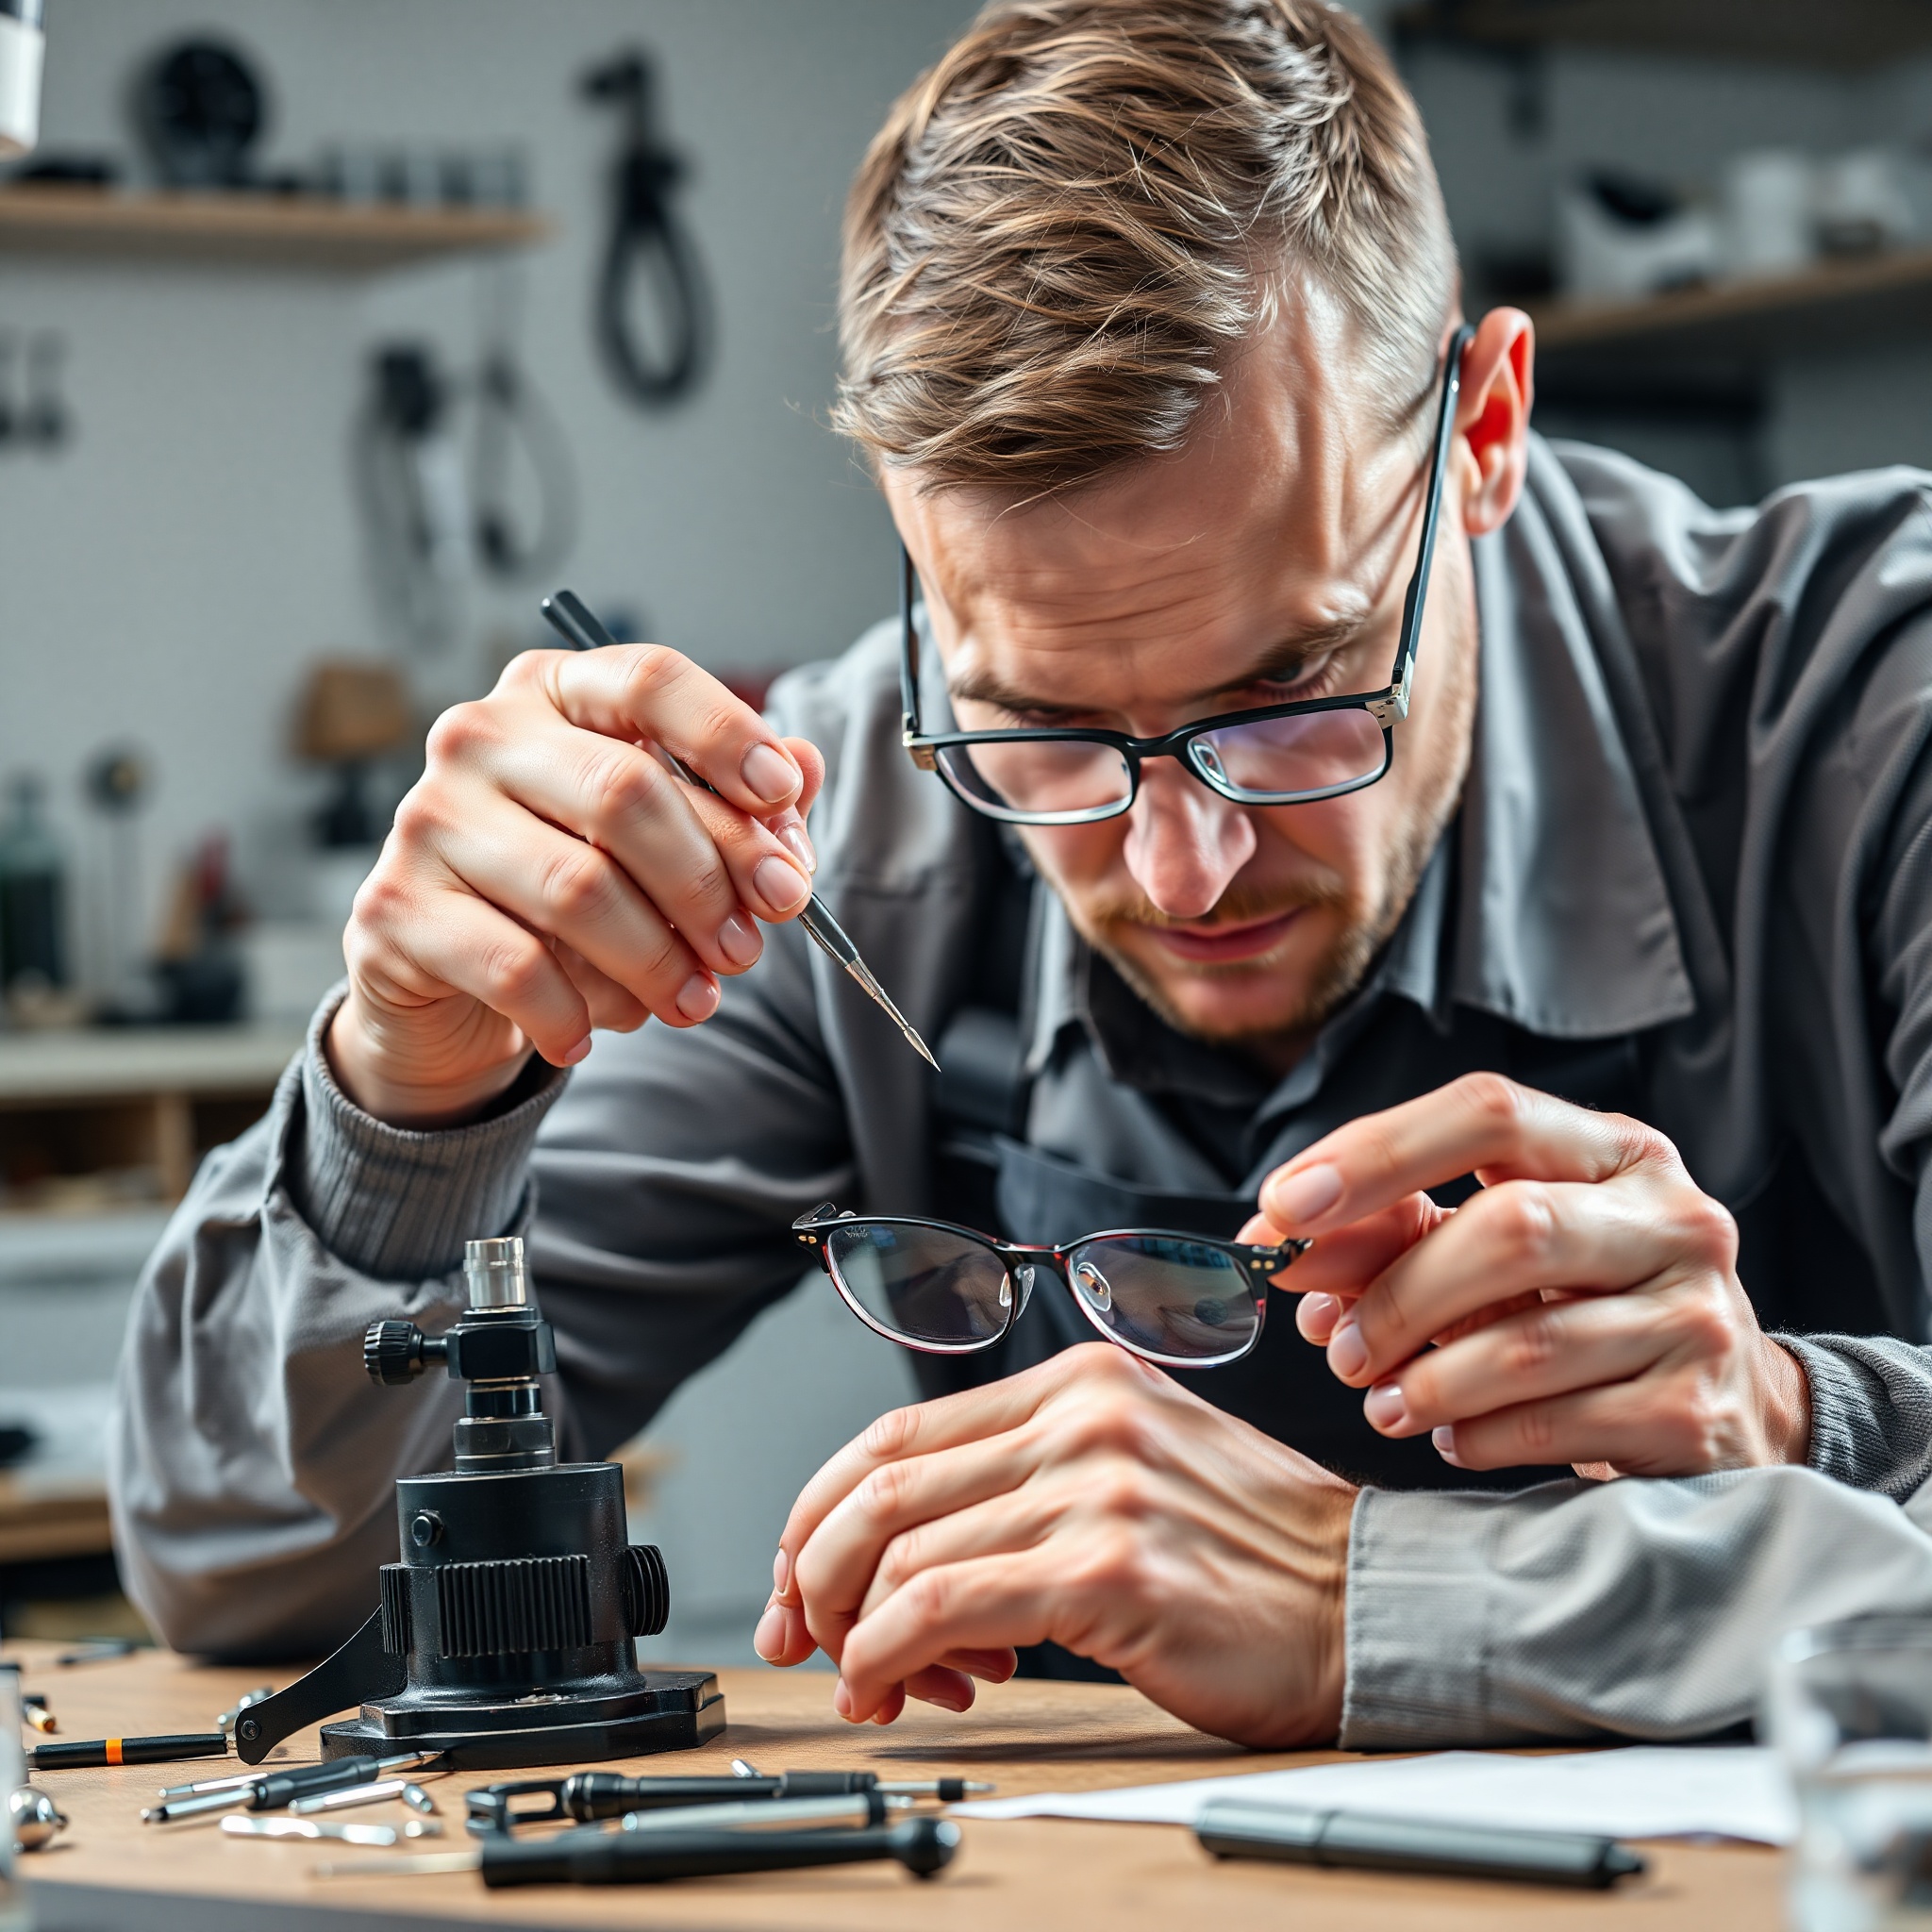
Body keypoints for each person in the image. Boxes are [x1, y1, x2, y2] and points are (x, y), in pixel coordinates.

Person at [108, 0, 1932, 1745]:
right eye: (1043, 729)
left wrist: (1765, 1430)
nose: (1184, 870)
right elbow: (260, 1573)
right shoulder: (846, 837)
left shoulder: (1876, 718)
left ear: (1482, 435)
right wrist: (407, 1099)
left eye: (1291, 694)